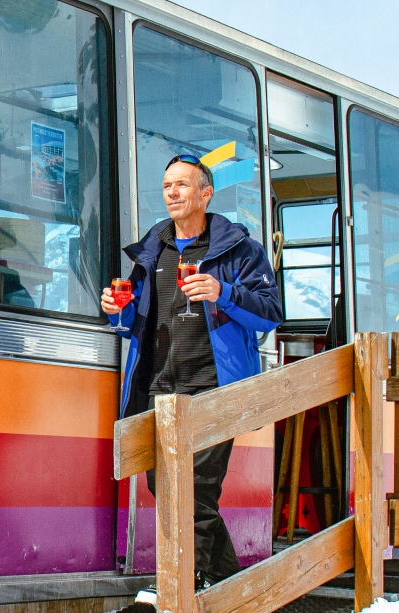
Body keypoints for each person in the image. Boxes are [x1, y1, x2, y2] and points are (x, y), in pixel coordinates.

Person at [102, 154, 281, 586]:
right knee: (162, 486)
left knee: (196, 487)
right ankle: (226, 583)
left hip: (213, 387)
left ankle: (182, 586)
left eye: (183, 185)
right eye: (167, 186)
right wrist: (117, 312)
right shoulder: (153, 250)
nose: (173, 193)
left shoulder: (240, 250)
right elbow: (135, 323)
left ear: (206, 193)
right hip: (157, 386)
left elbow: (272, 313)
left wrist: (225, 292)